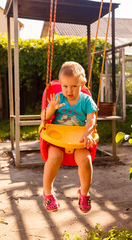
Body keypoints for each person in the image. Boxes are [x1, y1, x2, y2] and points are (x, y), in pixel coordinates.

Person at [41, 61, 97, 213]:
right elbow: (44, 117)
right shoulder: (58, 98)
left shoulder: (86, 101)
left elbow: (92, 120)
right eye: (65, 86)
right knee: (53, 157)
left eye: (74, 86)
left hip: (78, 139)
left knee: (86, 161)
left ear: (82, 84)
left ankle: (84, 194)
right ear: (61, 85)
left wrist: (87, 134)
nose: (69, 91)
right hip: (58, 139)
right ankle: (48, 193)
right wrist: (51, 108)